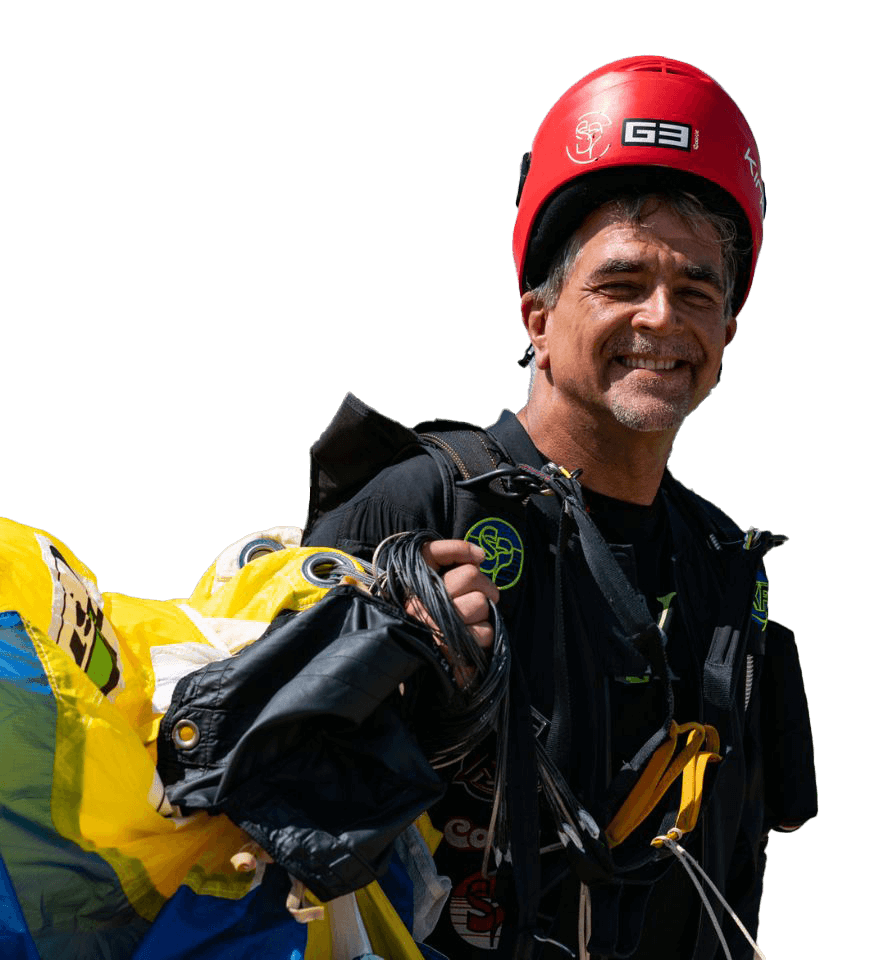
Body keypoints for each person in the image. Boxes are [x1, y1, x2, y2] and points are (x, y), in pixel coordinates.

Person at [303, 55, 817, 960]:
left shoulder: (724, 565)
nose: (663, 319)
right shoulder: (417, 508)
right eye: (621, 284)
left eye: (696, 292)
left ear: (727, 335)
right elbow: (255, 802)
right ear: (538, 319)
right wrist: (387, 682)